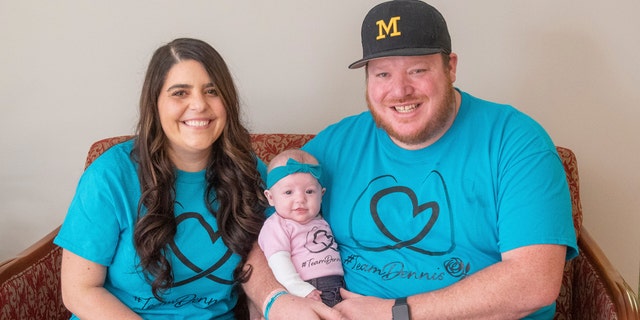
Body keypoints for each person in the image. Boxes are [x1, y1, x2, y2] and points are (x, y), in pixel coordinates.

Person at [300, 1, 579, 319]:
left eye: (417, 70)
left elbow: (533, 283)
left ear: (451, 67)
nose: (400, 90)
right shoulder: (336, 144)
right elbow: (257, 231)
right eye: (383, 73)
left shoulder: (516, 142)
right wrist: (275, 300)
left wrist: (395, 313)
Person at [54, 38, 270, 319]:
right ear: (155, 104)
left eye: (212, 91)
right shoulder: (110, 175)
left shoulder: (250, 171)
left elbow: (277, 256)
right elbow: (79, 290)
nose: (199, 105)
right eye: (180, 93)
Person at [258, 149, 345, 307]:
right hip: (308, 288)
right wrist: (300, 289)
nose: (300, 199)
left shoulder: (321, 220)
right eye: (288, 192)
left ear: (322, 194)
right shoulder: (276, 225)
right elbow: (279, 262)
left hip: (338, 286)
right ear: (270, 197)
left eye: (309, 191)